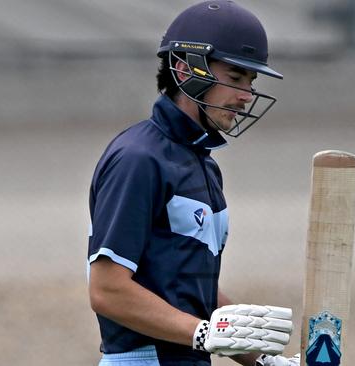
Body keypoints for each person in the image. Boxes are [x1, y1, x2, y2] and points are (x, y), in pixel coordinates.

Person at [87, 1, 298, 365]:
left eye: (251, 81)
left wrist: (263, 359)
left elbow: (188, 287)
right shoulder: (139, 159)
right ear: (186, 70)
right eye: (235, 78)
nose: (246, 96)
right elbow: (108, 290)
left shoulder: (202, 164)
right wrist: (203, 333)